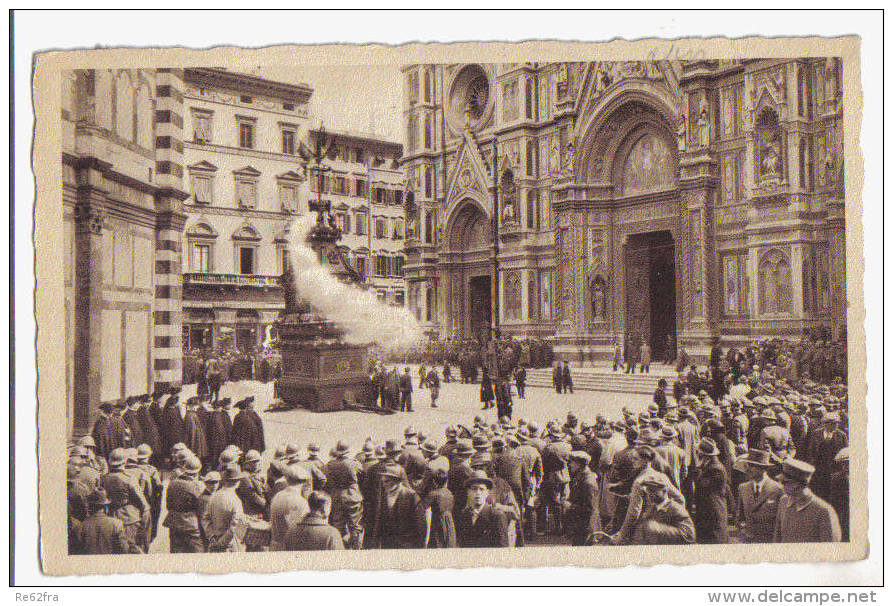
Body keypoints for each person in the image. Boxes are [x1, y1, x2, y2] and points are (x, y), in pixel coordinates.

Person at [774, 459, 842, 543]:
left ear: (796, 484)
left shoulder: (823, 510)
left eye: (784, 482)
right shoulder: (783, 501)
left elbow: (831, 547)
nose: (781, 485)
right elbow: (777, 539)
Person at [101, 447, 151, 552]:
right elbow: (143, 503)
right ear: (125, 461)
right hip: (129, 518)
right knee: (131, 549)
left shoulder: (104, 478)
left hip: (111, 517)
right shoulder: (129, 478)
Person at [621, 475, 695, 545]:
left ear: (664, 491)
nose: (649, 494)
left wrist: (658, 529)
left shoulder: (676, 509)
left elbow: (689, 536)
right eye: (647, 491)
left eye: (653, 490)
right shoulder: (651, 509)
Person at [368, 464, 427, 549]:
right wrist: (375, 544)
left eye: (387, 481)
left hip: (407, 546)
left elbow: (421, 527)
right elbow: (379, 521)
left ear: (397, 480)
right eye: (382, 481)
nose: (384, 485)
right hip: (388, 545)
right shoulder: (384, 496)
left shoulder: (411, 496)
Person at [734, 449, 783, 543]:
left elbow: (782, 522)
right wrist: (743, 531)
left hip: (769, 542)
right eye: (748, 465)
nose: (747, 469)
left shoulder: (778, 490)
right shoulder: (743, 488)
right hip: (749, 543)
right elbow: (739, 517)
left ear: (763, 468)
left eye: (752, 466)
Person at [324, 440, 365, 549]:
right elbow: (363, 477)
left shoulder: (329, 465)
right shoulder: (354, 463)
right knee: (356, 526)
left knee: (338, 526)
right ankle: (357, 549)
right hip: (352, 496)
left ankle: (340, 549)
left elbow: (325, 481)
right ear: (348, 451)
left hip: (336, 497)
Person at [163, 455, 207, 552]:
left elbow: (168, 505)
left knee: (176, 554)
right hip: (191, 525)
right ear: (198, 471)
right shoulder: (197, 486)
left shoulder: (172, 483)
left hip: (174, 523)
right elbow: (202, 510)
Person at [455, 471, 509, 548]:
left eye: (481, 489)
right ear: (468, 492)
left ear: (487, 493)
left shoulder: (496, 516)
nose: (478, 493)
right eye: (474, 489)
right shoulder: (464, 515)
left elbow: (502, 548)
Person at [693, 438, 730, 544]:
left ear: (704, 455)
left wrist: (698, 472)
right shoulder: (710, 465)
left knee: (715, 535)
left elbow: (703, 484)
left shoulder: (715, 469)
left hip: (713, 507)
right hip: (708, 507)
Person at [204, 463, 248, 552]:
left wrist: (211, 537)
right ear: (237, 482)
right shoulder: (235, 500)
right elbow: (235, 526)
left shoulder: (214, 496)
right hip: (229, 545)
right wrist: (221, 542)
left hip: (214, 542)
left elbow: (205, 518)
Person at [76, 489, 135, 555]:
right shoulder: (117, 524)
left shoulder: (79, 527)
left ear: (90, 507)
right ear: (106, 508)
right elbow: (124, 549)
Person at [562, 451, 601, 546]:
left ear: (579, 464)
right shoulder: (580, 476)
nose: (570, 465)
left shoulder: (588, 482)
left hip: (585, 528)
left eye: (572, 462)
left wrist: (570, 506)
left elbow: (589, 508)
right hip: (579, 526)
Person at [269, 464, 310, 550]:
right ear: (304, 482)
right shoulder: (300, 502)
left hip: (275, 546)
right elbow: (299, 530)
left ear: (287, 479)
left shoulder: (277, 496)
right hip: (291, 548)